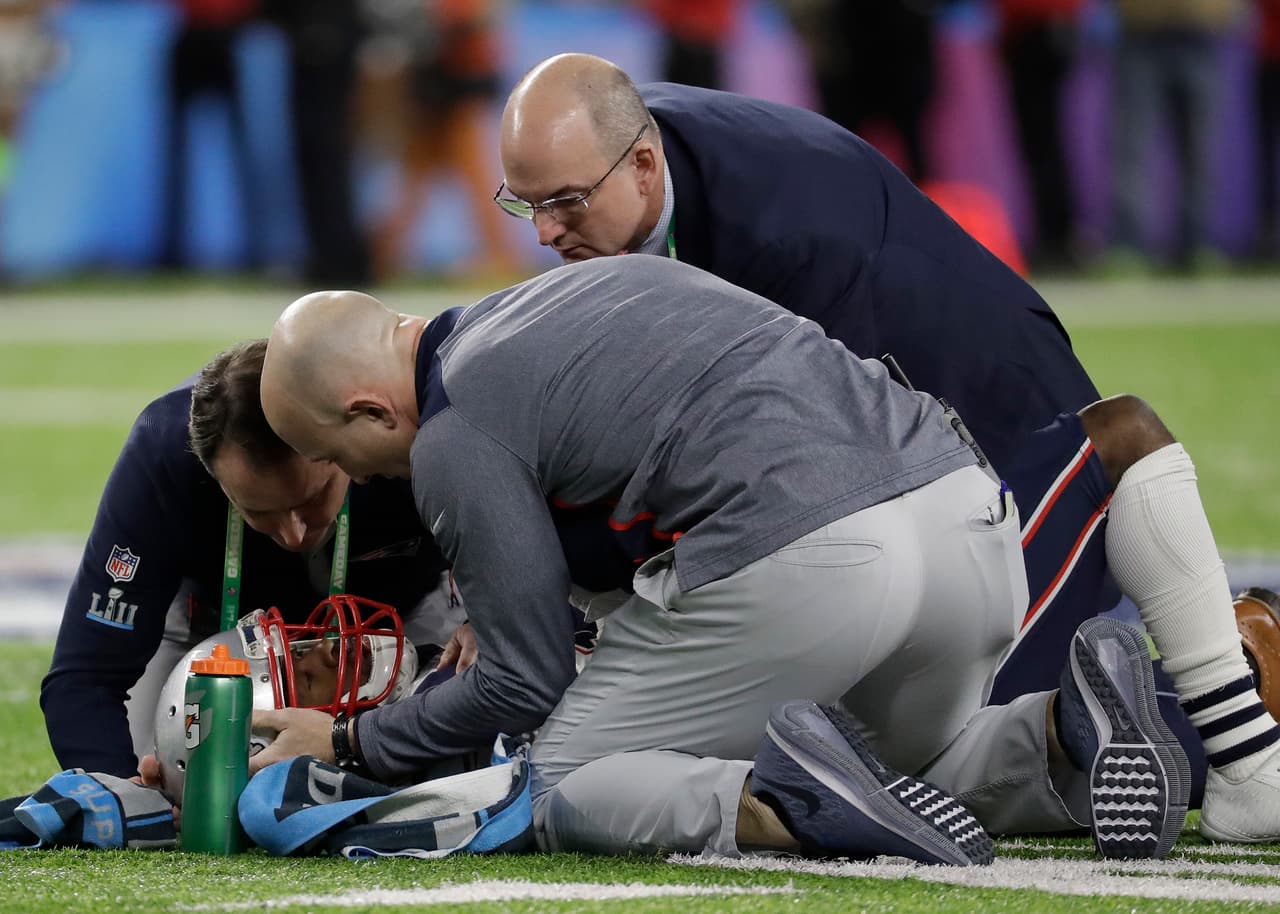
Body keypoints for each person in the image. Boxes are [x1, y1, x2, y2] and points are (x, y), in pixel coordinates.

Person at [493, 54, 1280, 841]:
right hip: (903, 452)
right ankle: (1221, 653)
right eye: (527, 205)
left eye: (565, 201)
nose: (548, 231)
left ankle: (1243, 697)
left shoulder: (784, 247)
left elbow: (808, 484)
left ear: (641, 163)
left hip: (980, 434)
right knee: (849, 724)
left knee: (908, 749)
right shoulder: (623, 134)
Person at [251, 258, 1197, 863]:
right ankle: (1065, 735)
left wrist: (345, 745)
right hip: (966, 518)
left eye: (335, 455)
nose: (349, 476)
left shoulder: (452, 430)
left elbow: (521, 682)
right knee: (901, 763)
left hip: (818, 552)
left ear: (372, 410)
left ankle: (779, 798)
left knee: (558, 784)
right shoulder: (568, 293)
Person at [40, 340, 462, 782]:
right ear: (214, 477)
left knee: (444, 772)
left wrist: (485, 629)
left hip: (391, 630)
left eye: (313, 497)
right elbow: (85, 676)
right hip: (215, 633)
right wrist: (127, 797)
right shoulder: (165, 458)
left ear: (340, 440)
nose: (295, 533)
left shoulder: (410, 434)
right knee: (165, 772)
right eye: (259, 511)